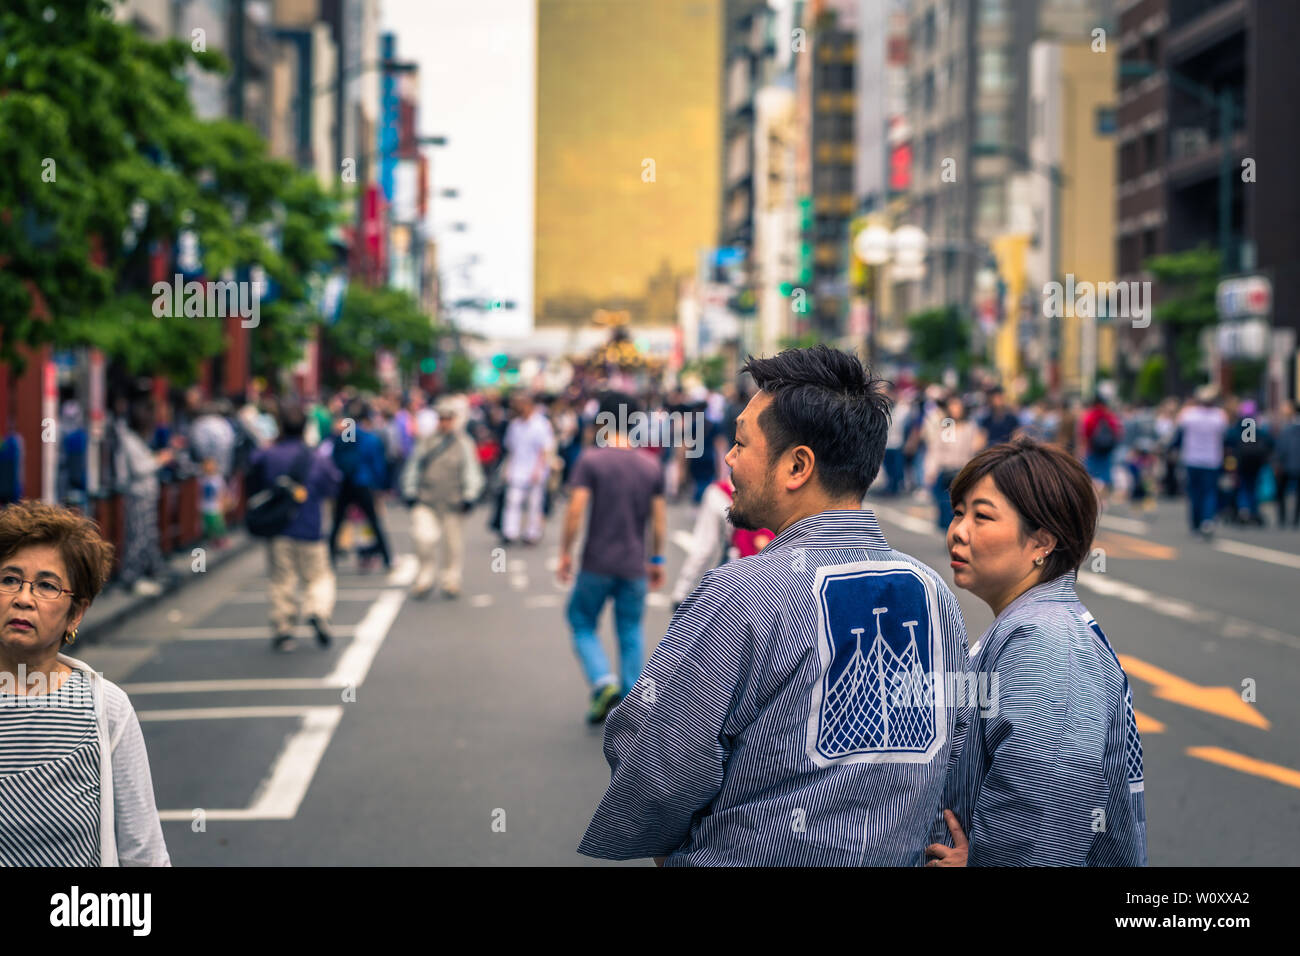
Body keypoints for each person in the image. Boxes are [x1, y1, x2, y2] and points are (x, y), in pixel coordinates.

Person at [579, 346, 969, 866]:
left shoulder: (737, 594)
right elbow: (959, 751)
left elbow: (658, 767)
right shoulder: (931, 593)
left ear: (797, 466)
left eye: (742, 443)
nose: (729, 458)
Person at [926, 437, 1146, 866]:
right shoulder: (1032, 624)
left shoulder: (1048, 641)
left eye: (982, 516)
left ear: (1042, 542)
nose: (958, 531)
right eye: (958, 513)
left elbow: (1045, 820)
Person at [0, 501, 170, 866]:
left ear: (75, 613)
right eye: (9, 579)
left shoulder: (105, 707)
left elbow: (144, 850)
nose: (23, 598)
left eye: (46, 586)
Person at [558, 392, 667, 724]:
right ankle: (632, 705)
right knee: (631, 630)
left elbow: (575, 511)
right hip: (634, 565)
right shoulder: (651, 466)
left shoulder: (591, 461)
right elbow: (658, 523)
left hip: (596, 563)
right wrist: (657, 560)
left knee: (580, 620)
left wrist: (565, 552)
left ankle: (603, 681)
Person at [249, 404, 342, 652]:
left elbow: (253, 479)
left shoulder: (268, 455)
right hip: (311, 526)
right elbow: (333, 486)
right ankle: (318, 610)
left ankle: (284, 629)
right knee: (319, 576)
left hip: (279, 526)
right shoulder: (318, 458)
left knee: (282, 579)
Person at [401, 398, 477, 600]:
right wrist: (410, 491)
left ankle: (451, 580)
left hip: (453, 501)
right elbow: (413, 467)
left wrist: (470, 495)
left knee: (452, 545)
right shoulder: (426, 442)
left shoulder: (464, 443)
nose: (445, 423)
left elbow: (472, 471)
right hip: (427, 499)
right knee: (423, 539)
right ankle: (425, 578)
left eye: (448, 419)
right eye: (441, 419)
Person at [669, 477, 772, 609]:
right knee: (707, 548)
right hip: (731, 496)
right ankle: (683, 594)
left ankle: (684, 594)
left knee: (709, 549)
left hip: (737, 496)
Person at [113, 401, 174, 597]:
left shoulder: (134, 440)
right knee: (138, 537)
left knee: (146, 536)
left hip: (144, 494)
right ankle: (131, 578)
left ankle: (146, 574)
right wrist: (159, 460)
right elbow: (139, 469)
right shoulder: (129, 441)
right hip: (138, 494)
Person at [328, 400, 393, 570]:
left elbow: (334, 458)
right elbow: (378, 465)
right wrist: (380, 486)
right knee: (373, 522)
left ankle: (329, 559)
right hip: (363, 484)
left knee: (338, 523)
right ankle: (387, 559)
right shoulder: (370, 438)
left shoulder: (344, 436)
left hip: (346, 483)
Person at [922, 394, 986, 530]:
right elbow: (937, 450)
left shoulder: (970, 427)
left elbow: (975, 449)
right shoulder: (947, 426)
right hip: (947, 470)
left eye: (957, 406)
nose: (955, 409)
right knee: (945, 505)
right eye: (952, 406)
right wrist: (931, 470)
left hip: (963, 471)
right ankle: (948, 529)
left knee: (962, 504)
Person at [501, 392, 555, 546]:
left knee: (534, 504)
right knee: (513, 501)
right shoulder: (515, 425)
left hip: (534, 470)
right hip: (517, 469)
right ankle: (510, 532)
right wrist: (508, 468)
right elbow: (511, 449)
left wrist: (538, 470)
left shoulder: (541, 424)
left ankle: (532, 533)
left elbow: (545, 449)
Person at [1176, 386, 1229, 537]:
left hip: (1192, 459)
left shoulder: (1188, 415)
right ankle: (1207, 519)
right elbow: (1225, 437)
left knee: (1194, 493)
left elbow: (1179, 434)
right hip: (1212, 460)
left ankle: (1196, 523)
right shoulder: (1219, 416)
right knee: (1209, 492)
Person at [1080, 394, 1123, 503]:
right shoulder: (1109, 416)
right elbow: (1118, 432)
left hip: (1093, 449)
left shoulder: (1090, 416)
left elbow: (1085, 434)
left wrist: (1083, 449)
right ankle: (1104, 499)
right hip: (1106, 450)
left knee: (1091, 474)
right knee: (1105, 474)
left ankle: (1094, 499)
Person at [1274, 402, 1300, 528]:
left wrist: (1277, 461)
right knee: (1282, 492)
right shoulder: (1284, 425)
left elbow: (1281, 447)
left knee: (1285, 492)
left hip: (1288, 463)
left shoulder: (1289, 427)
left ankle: (1290, 519)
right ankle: (1286, 519)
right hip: (1287, 463)